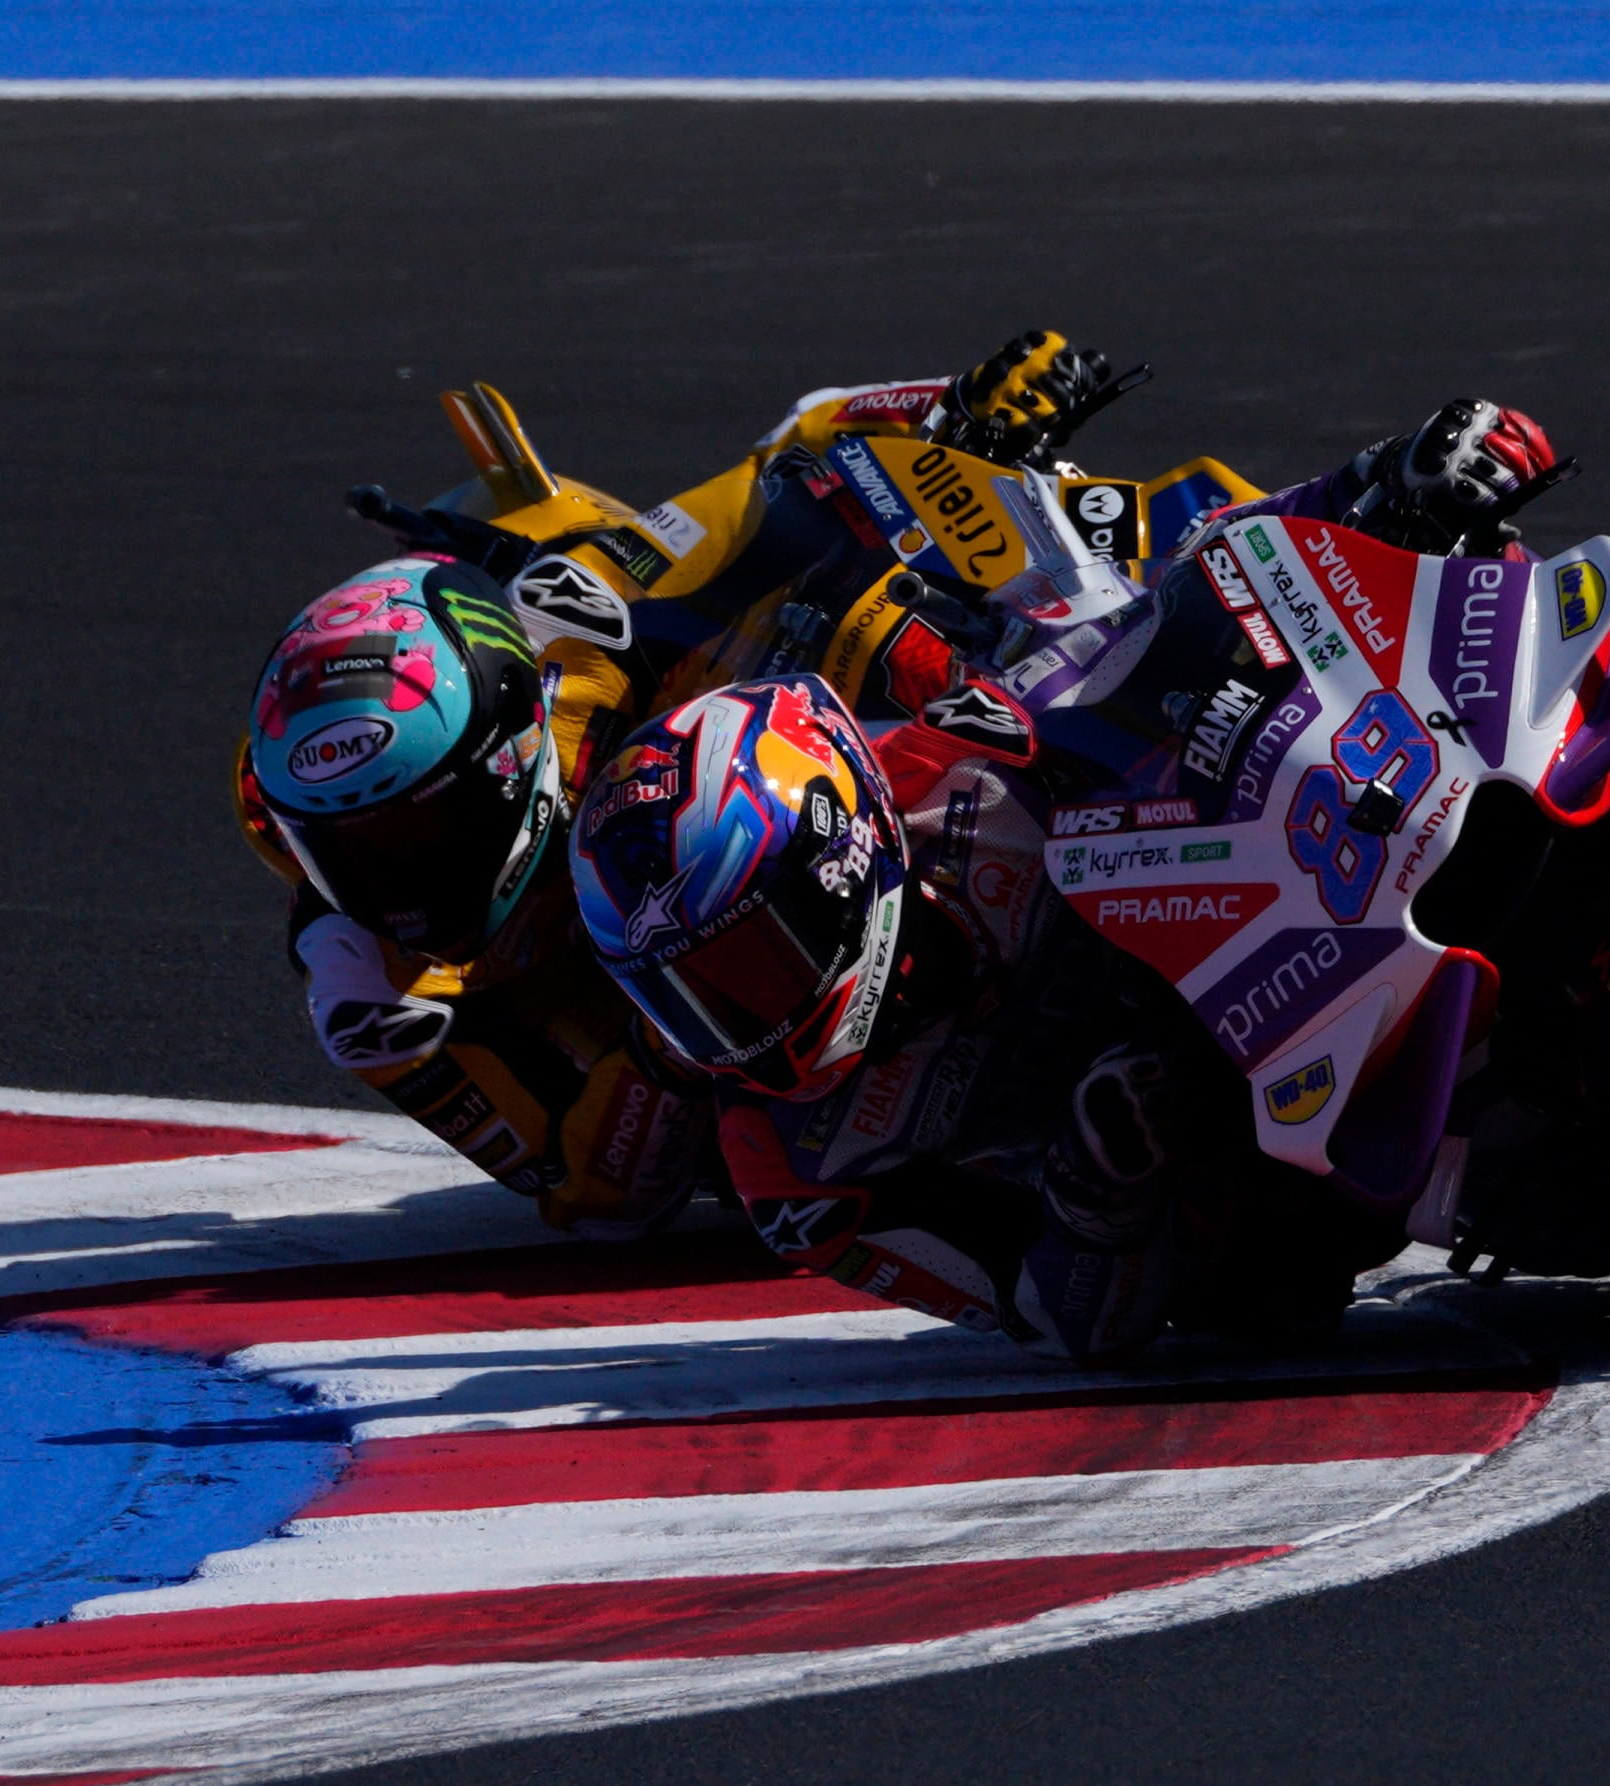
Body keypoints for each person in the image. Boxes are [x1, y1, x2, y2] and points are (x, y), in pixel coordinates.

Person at [570, 399, 1574, 1356]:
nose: (735, 1019)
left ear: (835, 862)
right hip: (1240, 1166)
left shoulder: (936, 761)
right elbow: (1047, 1321)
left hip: (1284, 905)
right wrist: (1096, 1181)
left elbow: (1180, 585)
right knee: (1259, 1299)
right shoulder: (795, 1176)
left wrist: (1382, 486)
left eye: (746, 962)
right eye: (690, 994)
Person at [234, 333, 1157, 1234]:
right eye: (344, 848)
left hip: (759, 807)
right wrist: (673, 1046)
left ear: (505, 751)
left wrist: (952, 420)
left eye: (418, 830)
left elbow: (787, 461)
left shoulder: (573, 633)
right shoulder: (370, 992)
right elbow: (593, 1193)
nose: (394, 883)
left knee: (899, 628)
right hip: (718, 1063)